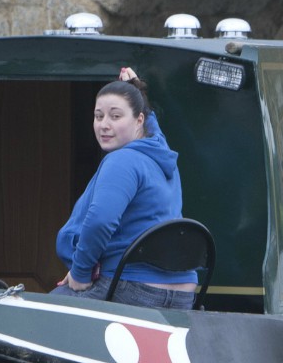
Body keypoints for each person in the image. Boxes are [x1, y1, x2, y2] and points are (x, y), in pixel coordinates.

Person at [53, 71, 199, 310]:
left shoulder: (122, 161)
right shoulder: (161, 153)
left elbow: (100, 221)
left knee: (32, 317)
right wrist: (136, 90)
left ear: (139, 120)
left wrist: (80, 273)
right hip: (183, 295)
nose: (104, 125)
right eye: (98, 116)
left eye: (116, 116)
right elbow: (152, 128)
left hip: (133, 288)